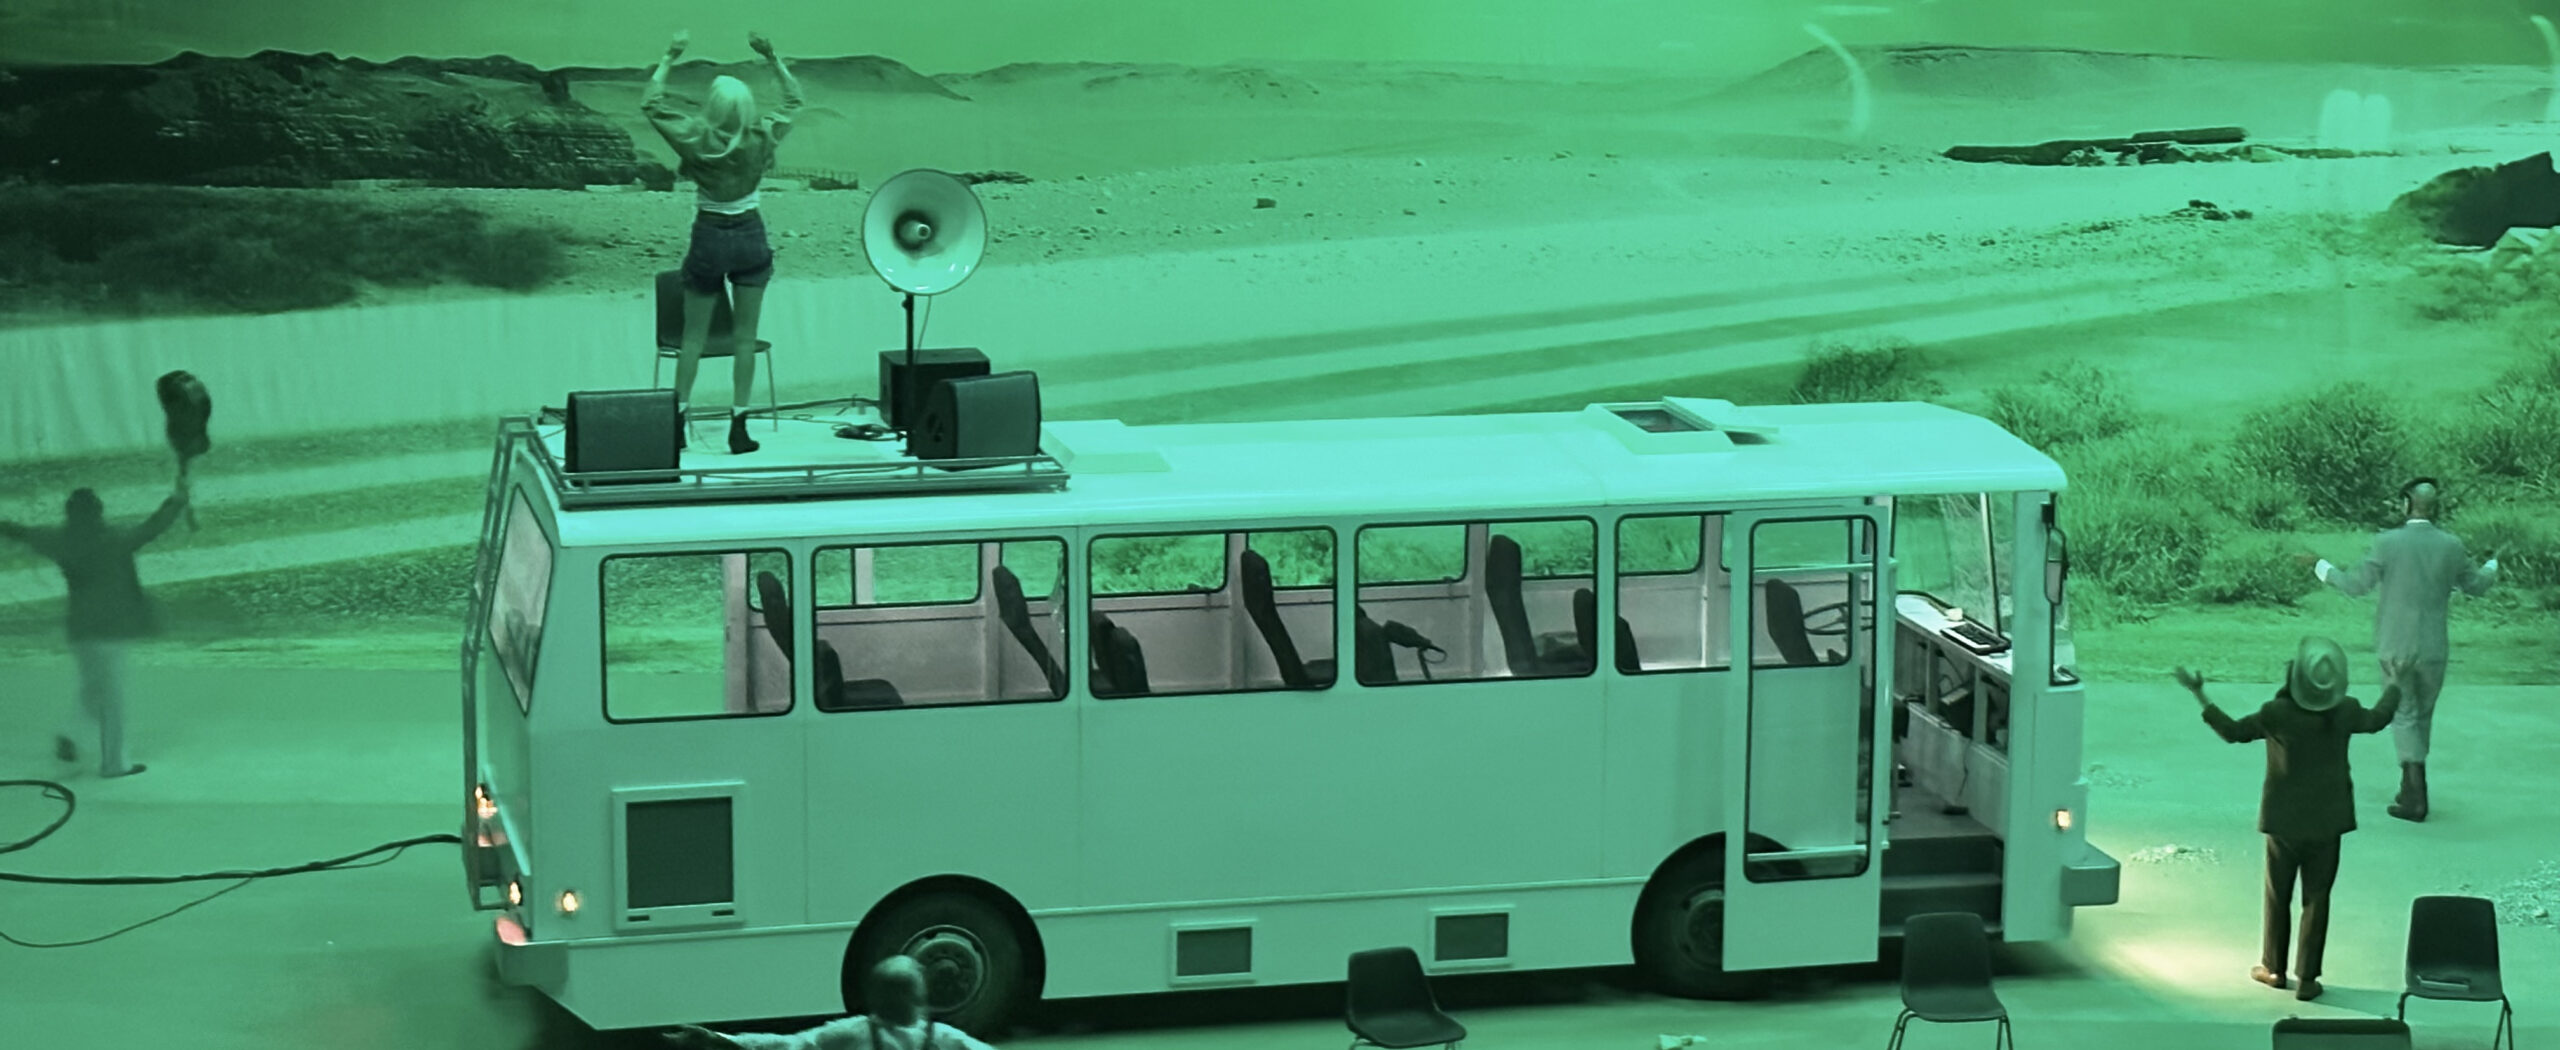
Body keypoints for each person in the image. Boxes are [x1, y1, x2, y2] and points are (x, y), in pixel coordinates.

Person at [2174, 637, 2412, 1003]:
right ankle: (2308, 979)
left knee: (2277, 896)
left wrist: (2198, 693)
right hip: (2328, 821)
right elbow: (2378, 719)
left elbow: (2233, 732)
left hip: (2282, 822)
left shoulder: (2276, 714)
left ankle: (2274, 969)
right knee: (2317, 899)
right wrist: (2395, 683)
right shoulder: (2345, 711)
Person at [642, 28, 805, 455]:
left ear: (712, 106)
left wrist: (669, 56)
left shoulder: (695, 138)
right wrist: (772, 57)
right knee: (745, 339)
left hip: (709, 236)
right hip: (750, 235)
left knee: (693, 339)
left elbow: (651, 103)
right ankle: (739, 426)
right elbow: (794, 100)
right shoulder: (762, 136)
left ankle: (677, 422)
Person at [2304, 477, 2498, 821]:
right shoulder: (2451, 546)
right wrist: (2492, 566)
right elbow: (2476, 585)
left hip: (2396, 644)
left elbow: (2355, 585)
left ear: (2406, 504)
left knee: (2403, 714)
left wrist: (2321, 566)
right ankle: (2410, 787)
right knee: (2422, 715)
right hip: (2434, 646)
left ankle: (2415, 795)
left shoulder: (2387, 543)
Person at [0, 479, 191, 777]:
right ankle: (115, 764)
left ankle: (72, 736)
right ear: (99, 511)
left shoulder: (58, 540)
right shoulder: (116, 539)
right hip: (112, 630)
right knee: (111, 702)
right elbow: (153, 527)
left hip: (80, 632)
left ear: (69, 512)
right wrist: (176, 502)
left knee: (93, 691)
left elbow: (20, 532)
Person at [660, 955, 1000, 1050]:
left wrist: (720, 1040)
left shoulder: (853, 1033)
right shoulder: (945, 1040)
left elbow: (787, 1045)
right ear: (920, 997)